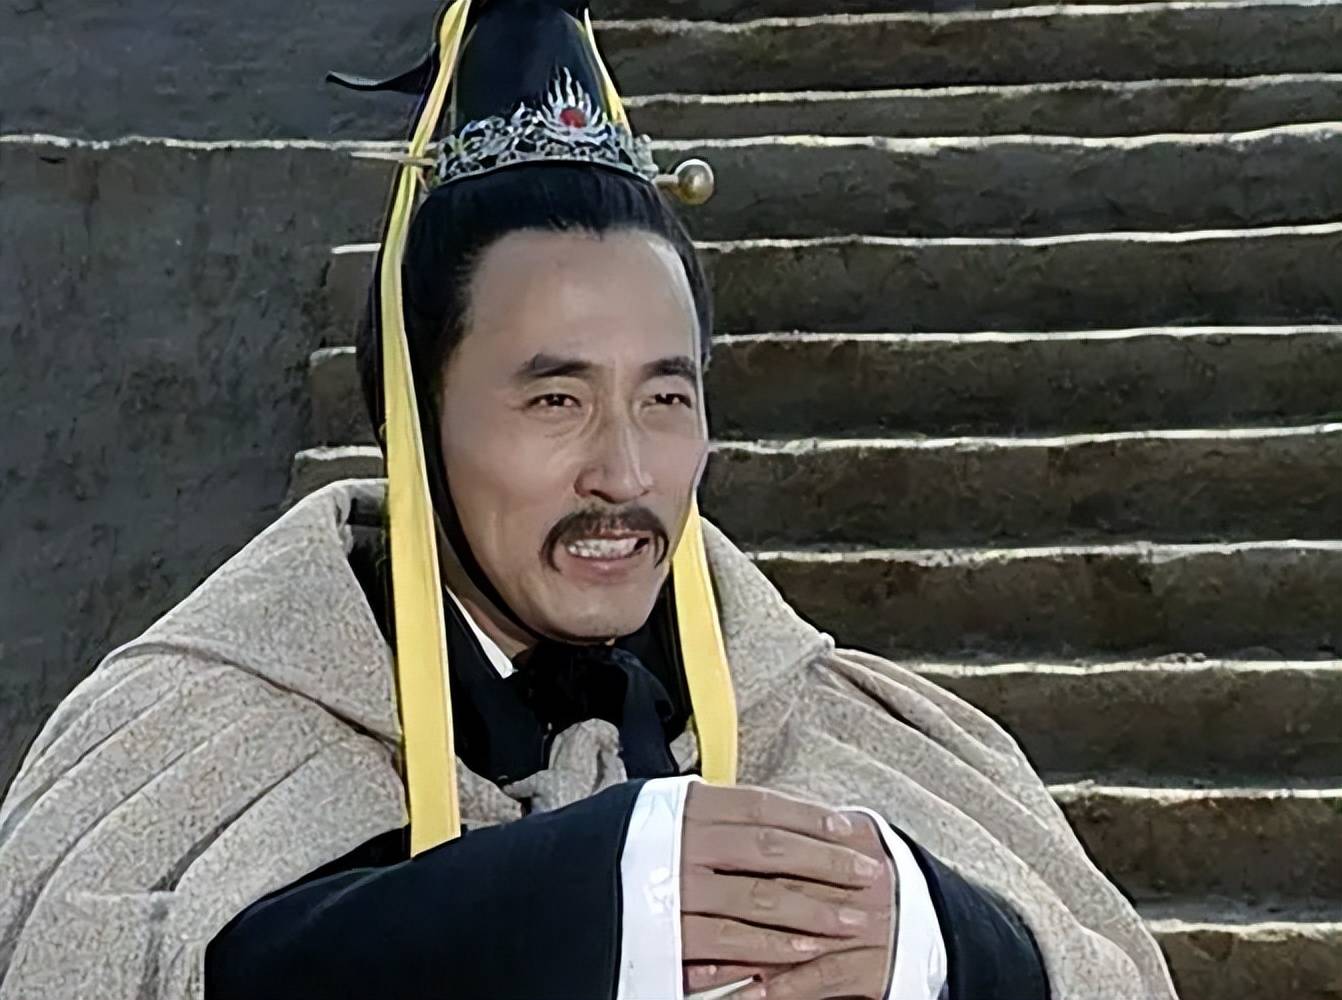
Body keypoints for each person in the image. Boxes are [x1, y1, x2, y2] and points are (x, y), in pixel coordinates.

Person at [0, 2, 1179, 998]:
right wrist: (562, 903)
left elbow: (1102, 967)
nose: (624, 471)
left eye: (665, 399)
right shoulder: (187, 735)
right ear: (411, 421)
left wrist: (945, 944)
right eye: (555, 400)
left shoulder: (858, 732)